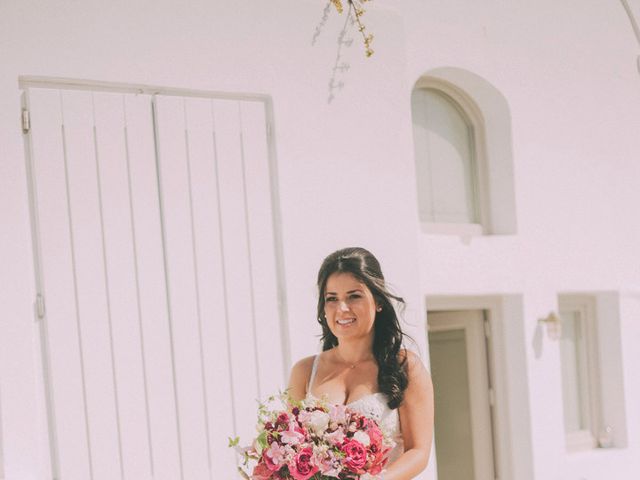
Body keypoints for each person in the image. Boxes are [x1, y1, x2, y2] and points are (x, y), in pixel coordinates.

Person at [287, 247, 434, 480]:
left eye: (354, 296)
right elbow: (291, 447)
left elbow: (419, 452)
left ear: (378, 301)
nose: (342, 308)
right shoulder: (304, 371)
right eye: (332, 299)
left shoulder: (406, 366)